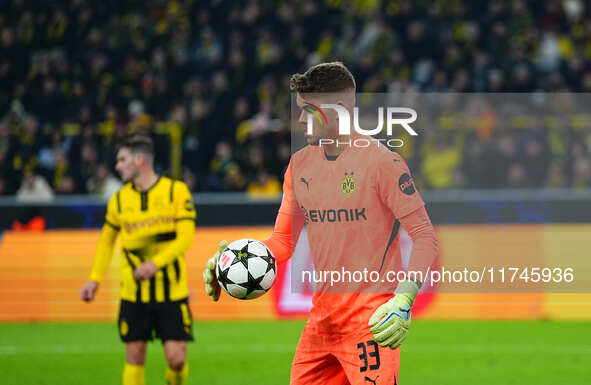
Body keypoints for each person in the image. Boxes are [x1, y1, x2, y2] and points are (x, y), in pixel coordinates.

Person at [203, 62, 439, 384]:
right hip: (321, 324)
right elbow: (282, 243)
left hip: (370, 323)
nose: (300, 119)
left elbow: (425, 235)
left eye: (309, 110)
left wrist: (404, 298)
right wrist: (233, 260)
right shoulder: (299, 165)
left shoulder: (383, 163)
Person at [80, 134, 196, 385]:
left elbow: (185, 238)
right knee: (134, 355)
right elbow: (106, 241)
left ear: (140, 160)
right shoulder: (119, 200)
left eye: (122, 159)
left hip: (172, 292)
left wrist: (156, 263)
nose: (117, 166)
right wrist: (94, 279)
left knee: (176, 360)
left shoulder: (176, 191)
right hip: (133, 293)